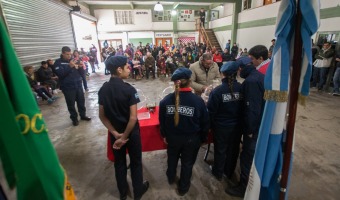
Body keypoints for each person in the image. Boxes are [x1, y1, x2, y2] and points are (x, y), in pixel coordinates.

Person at [98, 56, 149, 200]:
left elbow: (102, 116)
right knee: (136, 162)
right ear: (119, 70)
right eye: (127, 67)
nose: (130, 68)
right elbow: (133, 118)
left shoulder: (103, 89)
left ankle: (122, 193)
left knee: (119, 163)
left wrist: (115, 134)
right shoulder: (129, 90)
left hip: (115, 134)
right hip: (130, 134)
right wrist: (125, 137)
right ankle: (138, 192)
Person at [159, 67, 209, 196]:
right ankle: (183, 187)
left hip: (173, 138)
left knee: (172, 158)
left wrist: (164, 135)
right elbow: (205, 123)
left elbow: (162, 121)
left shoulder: (165, 101)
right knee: (187, 163)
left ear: (175, 82)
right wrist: (203, 138)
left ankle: (171, 177)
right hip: (191, 139)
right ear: (190, 81)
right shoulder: (198, 101)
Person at [225, 56, 265, 198]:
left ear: (244, 67)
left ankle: (244, 187)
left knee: (247, 157)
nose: (239, 71)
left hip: (254, 129)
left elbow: (252, 109)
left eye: (240, 69)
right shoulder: (260, 76)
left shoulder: (251, 82)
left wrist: (249, 130)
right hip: (261, 125)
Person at [207, 61, 243, 182]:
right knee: (233, 150)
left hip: (221, 127)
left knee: (220, 150)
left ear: (223, 74)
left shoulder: (217, 92)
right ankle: (229, 171)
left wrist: (210, 126)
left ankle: (218, 172)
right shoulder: (242, 88)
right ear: (237, 72)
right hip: (237, 126)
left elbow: (211, 112)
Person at [54, 46, 91, 126]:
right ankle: (74, 119)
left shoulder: (73, 60)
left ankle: (83, 115)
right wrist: (69, 66)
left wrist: (81, 67)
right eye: (67, 54)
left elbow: (81, 73)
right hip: (68, 87)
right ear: (62, 53)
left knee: (81, 101)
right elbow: (60, 74)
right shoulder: (58, 62)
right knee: (71, 104)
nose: (69, 56)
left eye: (70, 54)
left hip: (78, 85)